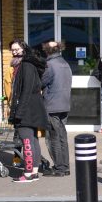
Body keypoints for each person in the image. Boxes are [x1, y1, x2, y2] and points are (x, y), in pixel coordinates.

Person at [8, 39, 48, 182]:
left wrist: (19, 111)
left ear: (24, 49)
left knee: (26, 141)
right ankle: (34, 172)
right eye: (12, 50)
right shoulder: (26, 64)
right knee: (33, 140)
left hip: (27, 108)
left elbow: (26, 90)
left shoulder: (25, 65)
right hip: (33, 107)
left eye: (17, 49)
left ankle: (28, 173)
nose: (14, 52)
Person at [41, 39, 71, 177]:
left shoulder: (49, 65)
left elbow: (41, 83)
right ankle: (65, 166)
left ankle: (59, 168)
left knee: (53, 137)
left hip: (52, 105)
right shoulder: (65, 63)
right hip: (64, 104)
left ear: (47, 50)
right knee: (62, 136)